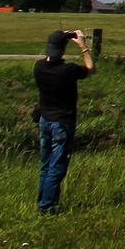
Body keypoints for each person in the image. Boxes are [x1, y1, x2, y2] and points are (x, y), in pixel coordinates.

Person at [33, 29, 93, 214]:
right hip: (62, 122)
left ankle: (43, 201)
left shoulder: (39, 67)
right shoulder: (67, 70)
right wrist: (83, 47)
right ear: (63, 48)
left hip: (45, 120)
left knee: (46, 164)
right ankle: (47, 207)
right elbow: (91, 68)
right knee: (57, 167)